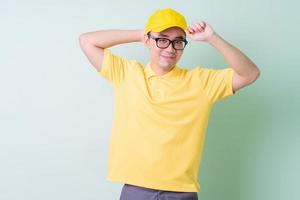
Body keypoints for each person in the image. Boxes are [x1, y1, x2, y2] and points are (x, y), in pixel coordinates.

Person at [79, 8, 260, 200]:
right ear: (149, 41)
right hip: (136, 190)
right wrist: (141, 34)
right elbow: (87, 41)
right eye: (162, 39)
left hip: (181, 193)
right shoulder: (127, 74)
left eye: (178, 42)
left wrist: (212, 38)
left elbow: (250, 73)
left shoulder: (200, 81)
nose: (170, 48)